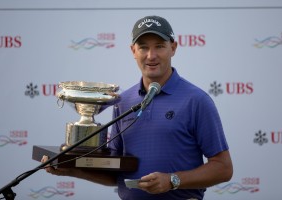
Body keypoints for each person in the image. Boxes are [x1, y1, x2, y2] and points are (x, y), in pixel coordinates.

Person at [41, 15, 233, 200]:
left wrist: (173, 180)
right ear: (133, 51)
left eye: (159, 46)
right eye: (143, 47)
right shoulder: (123, 101)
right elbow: (116, 174)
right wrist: (71, 170)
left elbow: (223, 168)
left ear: (173, 48)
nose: (151, 56)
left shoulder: (197, 100)